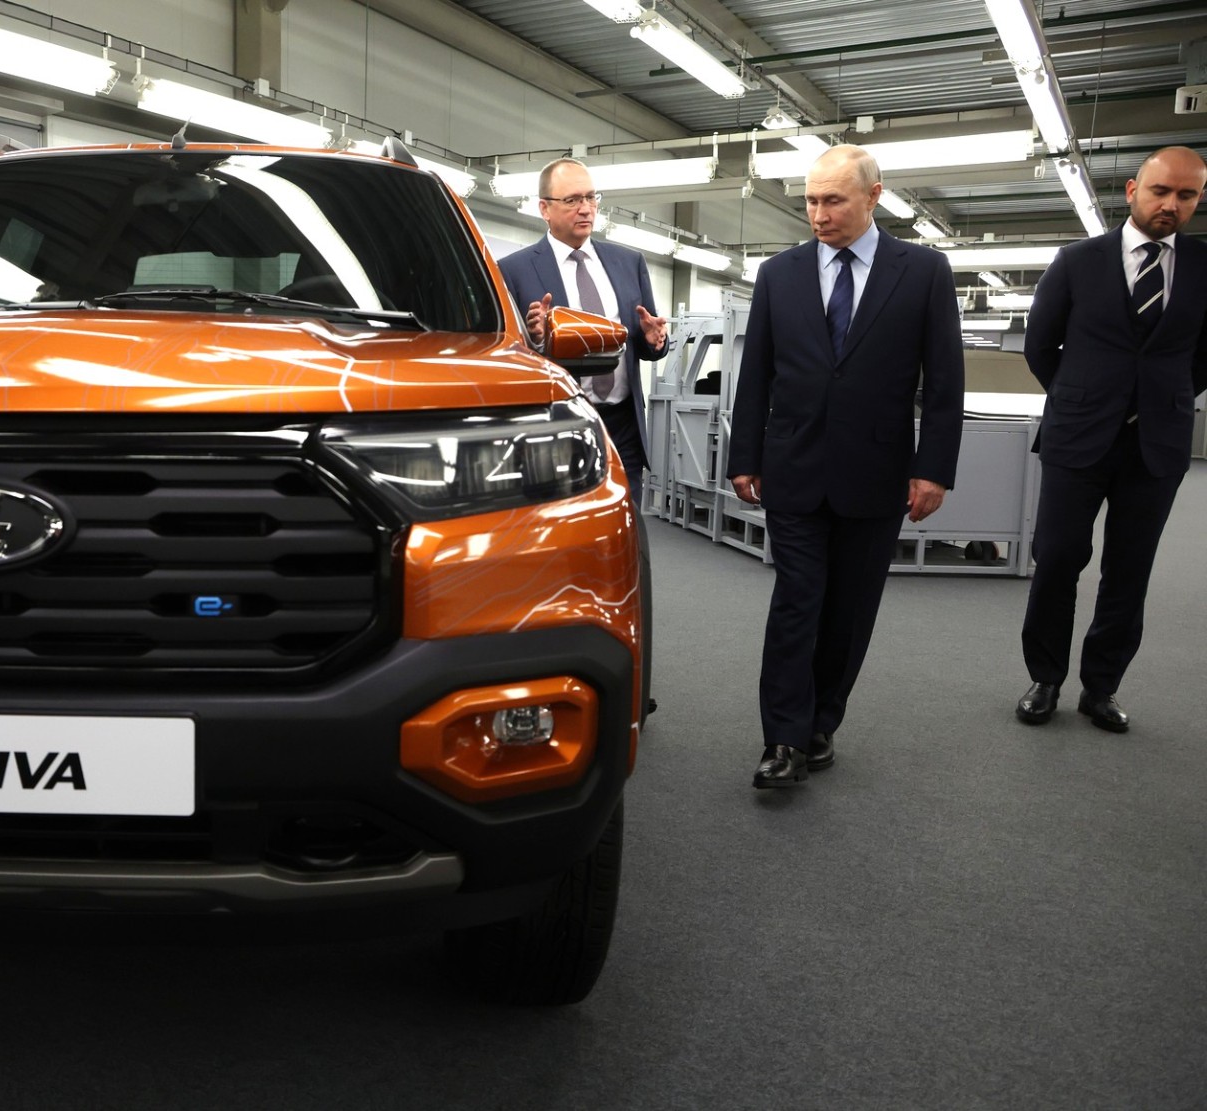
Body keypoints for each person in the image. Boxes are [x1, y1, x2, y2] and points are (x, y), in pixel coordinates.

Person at [727, 143, 964, 789]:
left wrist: (934, 469)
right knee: (797, 601)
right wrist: (744, 455)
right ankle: (783, 737)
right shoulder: (779, 274)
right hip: (794, 466)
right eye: (811, 201)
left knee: (850, 610)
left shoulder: (923, 272)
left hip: (877, 470)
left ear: (874, 196)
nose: (819, 214)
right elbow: (757, 373)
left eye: (833, 200)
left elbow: (945, 381)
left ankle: (821, 722)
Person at [1014, 146, 1207, 733]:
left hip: (1158, 444)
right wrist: (1080, 397)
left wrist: (1164, 398)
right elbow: (1040, 345)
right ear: (1131, 191)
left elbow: (1204, 356)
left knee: (1130, 570)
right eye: (1160, 191)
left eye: (1187, 195)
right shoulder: (1078, 260)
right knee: (1057, 559)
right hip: (1078, 437)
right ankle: (1046, 677)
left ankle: (1101, 687)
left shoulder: (1203, 266)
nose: (1171, 204)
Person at [498, 157, 669, 498]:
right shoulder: (513, 271)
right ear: (544, 208)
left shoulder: (629, 263)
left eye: (591, 197)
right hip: (557, 425)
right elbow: (505, 357)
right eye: (572, 200)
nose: (586, 209)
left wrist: (654, 340)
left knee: (627, 520)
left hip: (623, 427)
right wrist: (536, 341)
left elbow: (647, 341)